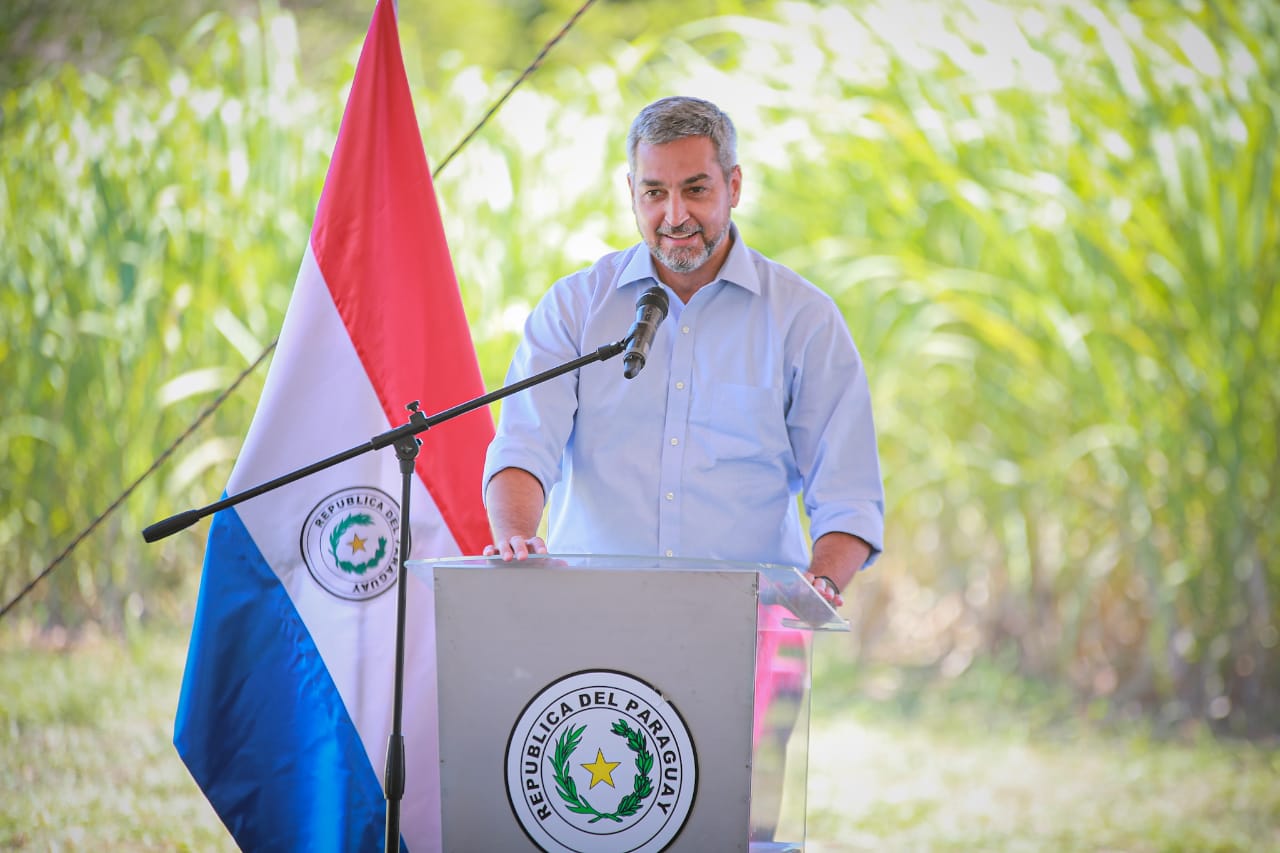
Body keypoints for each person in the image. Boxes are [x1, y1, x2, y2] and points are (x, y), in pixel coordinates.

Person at [482, 94, 883, 606]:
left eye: (695, 190)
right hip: (590, 619)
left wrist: (820, 584)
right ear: (631, 193)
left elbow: (849, 495)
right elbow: (523, 447)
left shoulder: (803, 319)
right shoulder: (575, 307)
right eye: (654, 193)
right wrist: (518, 538)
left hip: (751, 625)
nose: (675, 215)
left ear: (733, 186)